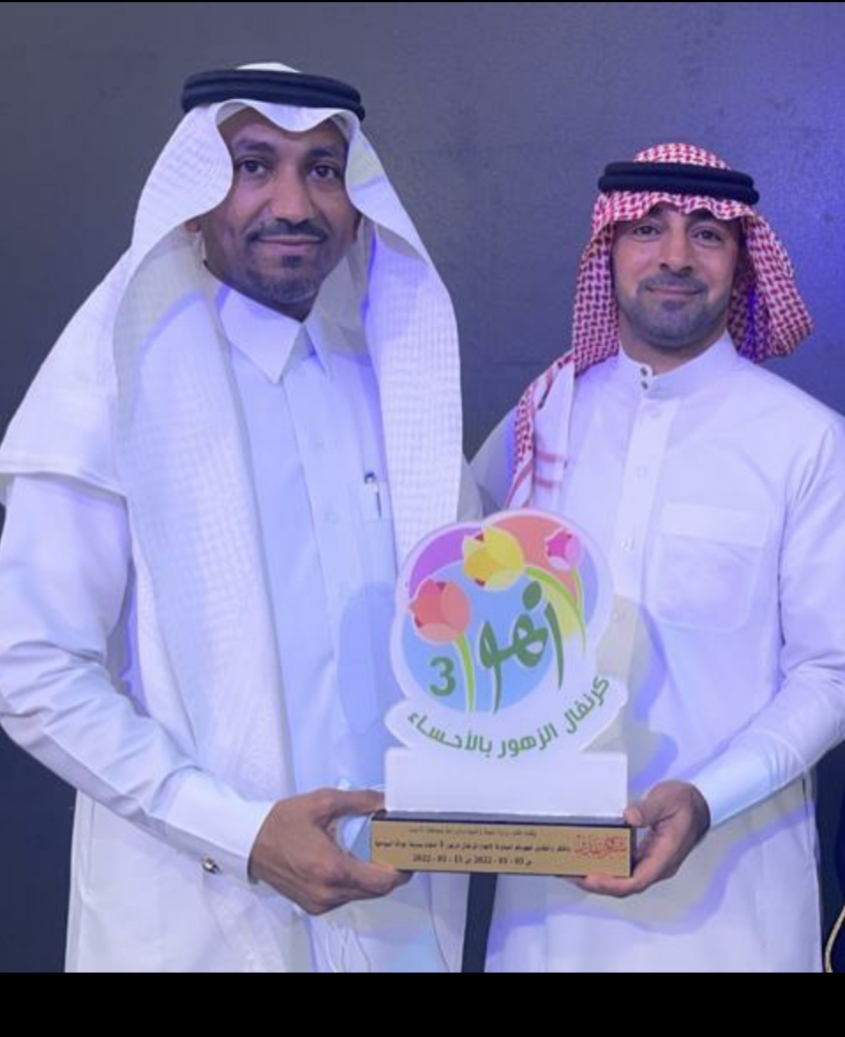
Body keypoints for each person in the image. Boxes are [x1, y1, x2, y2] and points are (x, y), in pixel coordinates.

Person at [0, 62, 477, 972]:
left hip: (392, 915)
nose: (292, 203)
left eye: (323, 169)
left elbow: (462, 641)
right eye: (252, 164)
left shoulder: (394, 386)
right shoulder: (113, 375)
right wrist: (240, 832)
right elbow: (28, 664)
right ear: (193, 198)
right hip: (193, 912)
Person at [473, 142, 845, 972]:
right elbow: (451, 603)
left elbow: (832, 671)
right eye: (647, 228)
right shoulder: (542, 418)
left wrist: (707, 798)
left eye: (706, 233)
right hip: (546, 907)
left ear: (740, 259)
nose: (675, 256)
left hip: (733, 904)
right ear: (607, 248)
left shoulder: (807, 442)